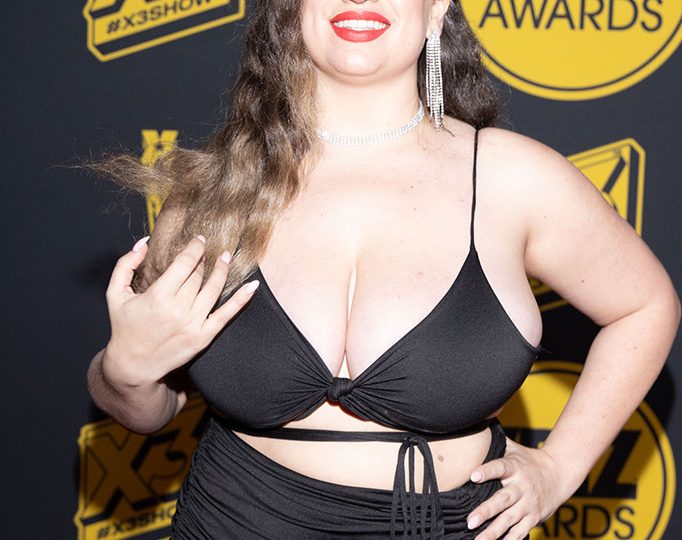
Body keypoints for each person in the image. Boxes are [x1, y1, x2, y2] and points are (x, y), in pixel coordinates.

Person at [85, 0, 681, 538]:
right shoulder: (214, 191)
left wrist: (560, 466)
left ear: (436, 8)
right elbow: (151, 410)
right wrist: (124, 372)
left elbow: (646, 306)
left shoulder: (514, 180)